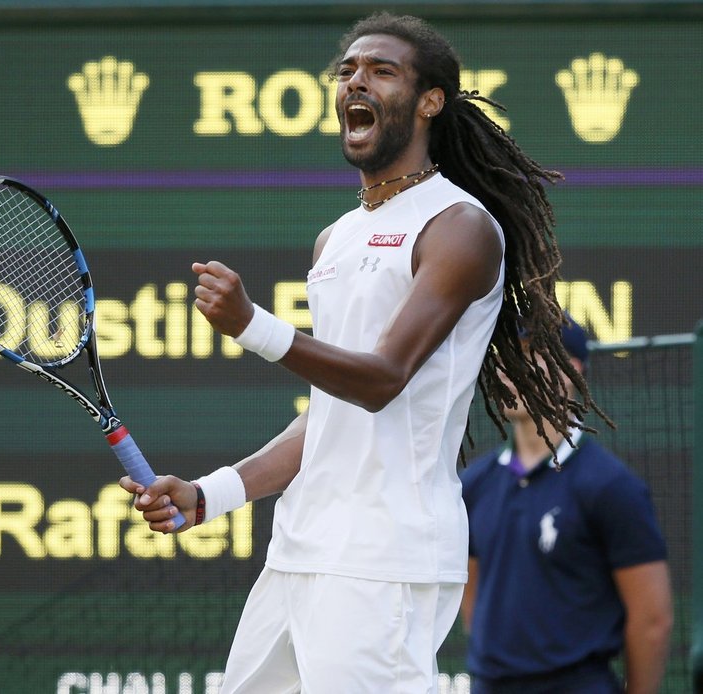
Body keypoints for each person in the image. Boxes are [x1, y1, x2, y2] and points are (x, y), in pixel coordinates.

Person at [120, 12, 606, 692]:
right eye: (347, 70)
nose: (356, 81)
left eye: (381, 71)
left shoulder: (459, 228)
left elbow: (383, 381)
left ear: (429, 101)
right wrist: (212, 494)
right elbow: (330, 415)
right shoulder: (335, 239)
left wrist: (253, 325)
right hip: (300, 551)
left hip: (385, 560)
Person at [460, 317, 673, 694]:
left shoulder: (611, 486)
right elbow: (472, 596)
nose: (509, 370)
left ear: (570, 369)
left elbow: (652, 620)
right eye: (505, 358)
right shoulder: (475, 485)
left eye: (528, 357)